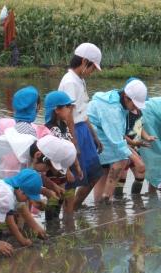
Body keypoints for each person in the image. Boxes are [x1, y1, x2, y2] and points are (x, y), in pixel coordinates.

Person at [87, 79, 150, 203]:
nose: (136, 108)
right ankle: (106, 198)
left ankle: (100, 202)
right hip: (92, 134)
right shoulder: (112, 110)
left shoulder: (118, 98)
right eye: (135, 104)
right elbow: (117, 142)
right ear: (126, 97)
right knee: (121, 158)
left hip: (101, 134)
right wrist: (137, 160)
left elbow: (119, 135)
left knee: (104, 170)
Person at [58, 42, 103, 209]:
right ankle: (68, 215)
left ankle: (75, 207)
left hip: (83, 130)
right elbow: (68, 115)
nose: (92, 72)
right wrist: (74, 142)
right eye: (92, 68)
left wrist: (94, 136)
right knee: (73, 179)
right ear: (84, 62)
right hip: (74, 131)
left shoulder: (79, 80)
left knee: (94, 173)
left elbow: (82, 112)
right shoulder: (70, 82)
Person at [44, 91, 84, 221]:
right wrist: (67, 171)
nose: (70, 109)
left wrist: (77, 166)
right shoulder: (50, 129)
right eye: (68, 106)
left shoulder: (63, 125)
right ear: (57, 110)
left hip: (64, 167)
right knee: (55, 196)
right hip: (55, 170)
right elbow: (57, 153)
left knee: (61, 196)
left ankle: (56, 221)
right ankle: (51, 223)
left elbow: (69, 147)